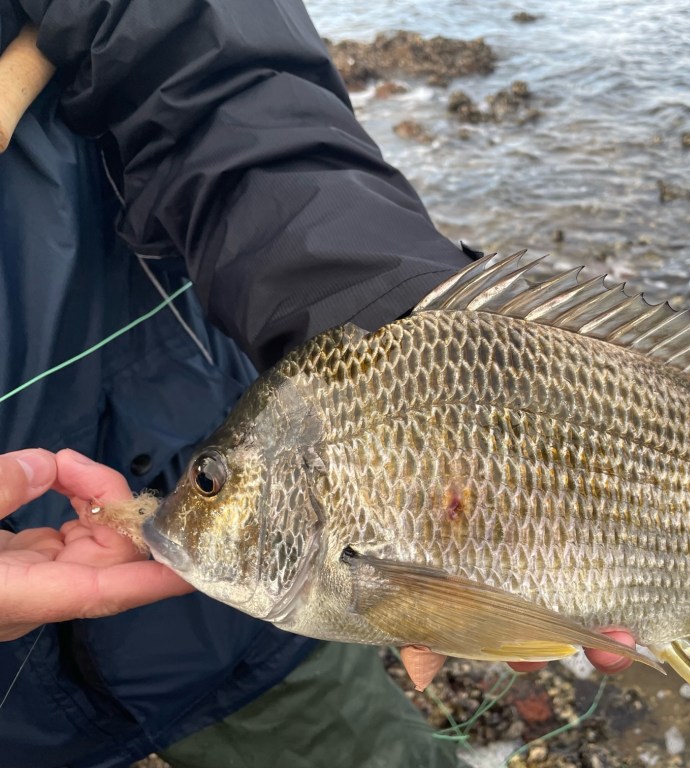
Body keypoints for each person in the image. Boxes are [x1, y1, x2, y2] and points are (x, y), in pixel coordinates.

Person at [0, 2, 634, 766]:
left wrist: (396, 320)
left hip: (237, 638)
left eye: (212, 483)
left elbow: (207, 63)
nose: (196, 496)